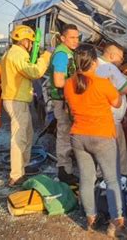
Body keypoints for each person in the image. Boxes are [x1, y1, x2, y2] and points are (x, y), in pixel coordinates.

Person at [64, 44, 127, 238]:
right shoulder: (102, 82)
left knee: (86, 179)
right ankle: (115, 222)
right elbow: (117, 102)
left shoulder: (69, 83)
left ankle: (90, 218)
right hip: (102, 136)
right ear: (94, 61)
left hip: (78, 137)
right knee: (112, 180)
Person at [1, 25, 52, 187]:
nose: (31, 46)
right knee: (19, 137)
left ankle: (22, 167)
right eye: (30, 42)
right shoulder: (17, 54)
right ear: (24, 41)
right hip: (17, 100)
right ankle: (16, 175)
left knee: (27, 134)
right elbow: (34, 72)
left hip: (18, 99)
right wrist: (45, 57)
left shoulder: (13, 53)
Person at [48, 24, 79, 184]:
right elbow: (59, 81)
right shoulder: (61, 54)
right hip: (62, 100)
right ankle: (64, 171)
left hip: (66, 99)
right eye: (72, 37)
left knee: (67, 134)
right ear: (63, 38)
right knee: (65, 134)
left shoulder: (68, 52)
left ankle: (66, 167)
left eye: (77, 37)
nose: (76, 41)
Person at [96, 43, 127, 176]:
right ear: (111, 56)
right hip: (111, 118)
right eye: (121, 58)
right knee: (118, 153)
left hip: (100, 117)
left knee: (103, 153)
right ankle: (119, 182)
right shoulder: (110, 68)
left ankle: (101, 181)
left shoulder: (94, 65)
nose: (122, 62)